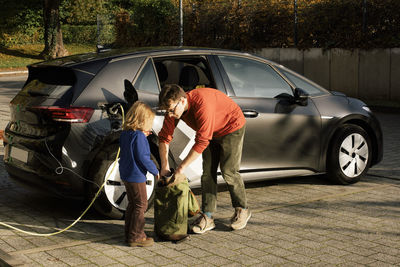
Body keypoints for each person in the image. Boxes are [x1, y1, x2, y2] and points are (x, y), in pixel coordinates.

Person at [158, 84, 251, 234]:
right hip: (210, 131)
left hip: (231, 126)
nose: (169, 115)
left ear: (182, 101)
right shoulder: (173, 108)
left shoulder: (202, 104)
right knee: (207, 173)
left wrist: (181, 168)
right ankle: (207, 216)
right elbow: (164, 137)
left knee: (229, 171)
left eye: (171, 110)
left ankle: (242, 209)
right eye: (166, 111)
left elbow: (202, 141)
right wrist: (164, 166)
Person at [119, 101, 159, 247]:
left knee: (132, 204)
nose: (151, 126)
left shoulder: (125, 134)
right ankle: (136, 236)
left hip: (126, 174)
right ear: (142, 121)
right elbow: (143, 157)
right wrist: (155, 171)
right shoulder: (139, 137)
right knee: (141, 205)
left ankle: (128, 233)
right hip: (136, 176)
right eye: (150, 122)